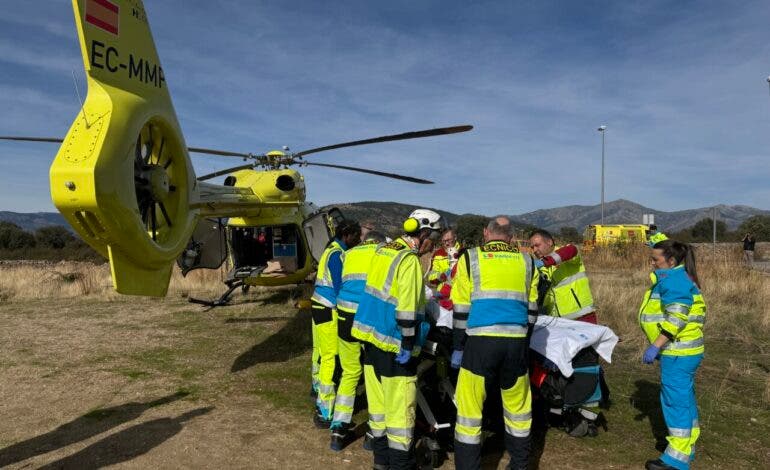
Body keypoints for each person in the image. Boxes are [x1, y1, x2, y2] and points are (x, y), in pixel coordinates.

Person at [351, 209, 443, 470]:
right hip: (394, 345)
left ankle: (380, 463)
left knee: (378, 410)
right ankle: (402, 465)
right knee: (401, 414)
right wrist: (407, 344)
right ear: (423, 233)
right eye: (433, 238)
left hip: (370, 341)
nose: (432, 244)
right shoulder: (409, 260)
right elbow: (408, 310)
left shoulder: (384, 250)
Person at [450, 216, 539, 470]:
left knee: (470, 411)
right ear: (511, 237)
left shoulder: (471, 258)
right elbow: (533, 308)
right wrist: (524, 338)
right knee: (518, 411)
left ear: (486, 234)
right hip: (516, 343)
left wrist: (458, 346)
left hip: (480, 343)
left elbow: (461, 309)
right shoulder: (527, 260)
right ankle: (520, 465)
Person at [639, 239, 705, 470]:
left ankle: (676, 458)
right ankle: (688, 444)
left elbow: (676, 317)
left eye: (656, 260)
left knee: (674, 402)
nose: (652, 264)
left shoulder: (673, 280)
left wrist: (656, 345)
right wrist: (656, 236)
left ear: (671, 260)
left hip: (677, 351)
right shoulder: (680, 275)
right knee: (684, 399)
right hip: (687, 351)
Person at [331, 229, 386, 451]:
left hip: (344, 315)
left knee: (350, 371)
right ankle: (374, 432)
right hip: (367, 317)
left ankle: (338, 429)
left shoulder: (349, 253)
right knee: (373, 373)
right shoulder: (383, 253)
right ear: (380, 242)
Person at [310, 220, 361, 428]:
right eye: (356, 237)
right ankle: (326, 410)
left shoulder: (330, 249)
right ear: (347, 235)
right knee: (330, 357)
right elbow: (342, 285)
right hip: (329, 307)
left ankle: (318, 392)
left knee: (321, 353)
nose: (358, 241)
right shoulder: (338, 254)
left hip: (319, 303)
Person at [529, 229, 596, 323]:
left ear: (549, 242)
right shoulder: (541, 269)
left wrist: (544, 262)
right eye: (532, 247)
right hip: (557, 322)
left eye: (537, 245)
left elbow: (572, 249)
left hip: (582, 318)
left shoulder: (567, 253)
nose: (535, 250)